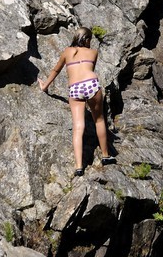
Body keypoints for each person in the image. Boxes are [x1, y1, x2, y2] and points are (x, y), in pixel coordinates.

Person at [38, 28, 114, 177]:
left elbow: (56, 70)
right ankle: (105, 156)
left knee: (78, 127)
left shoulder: (67, 51)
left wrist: (45, 86)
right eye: (89, 39)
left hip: (75, 88)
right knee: (99, 120)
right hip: (91, 84)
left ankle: (79, 167)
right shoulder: (93, 52)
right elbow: (90, 67)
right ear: (86, 39)